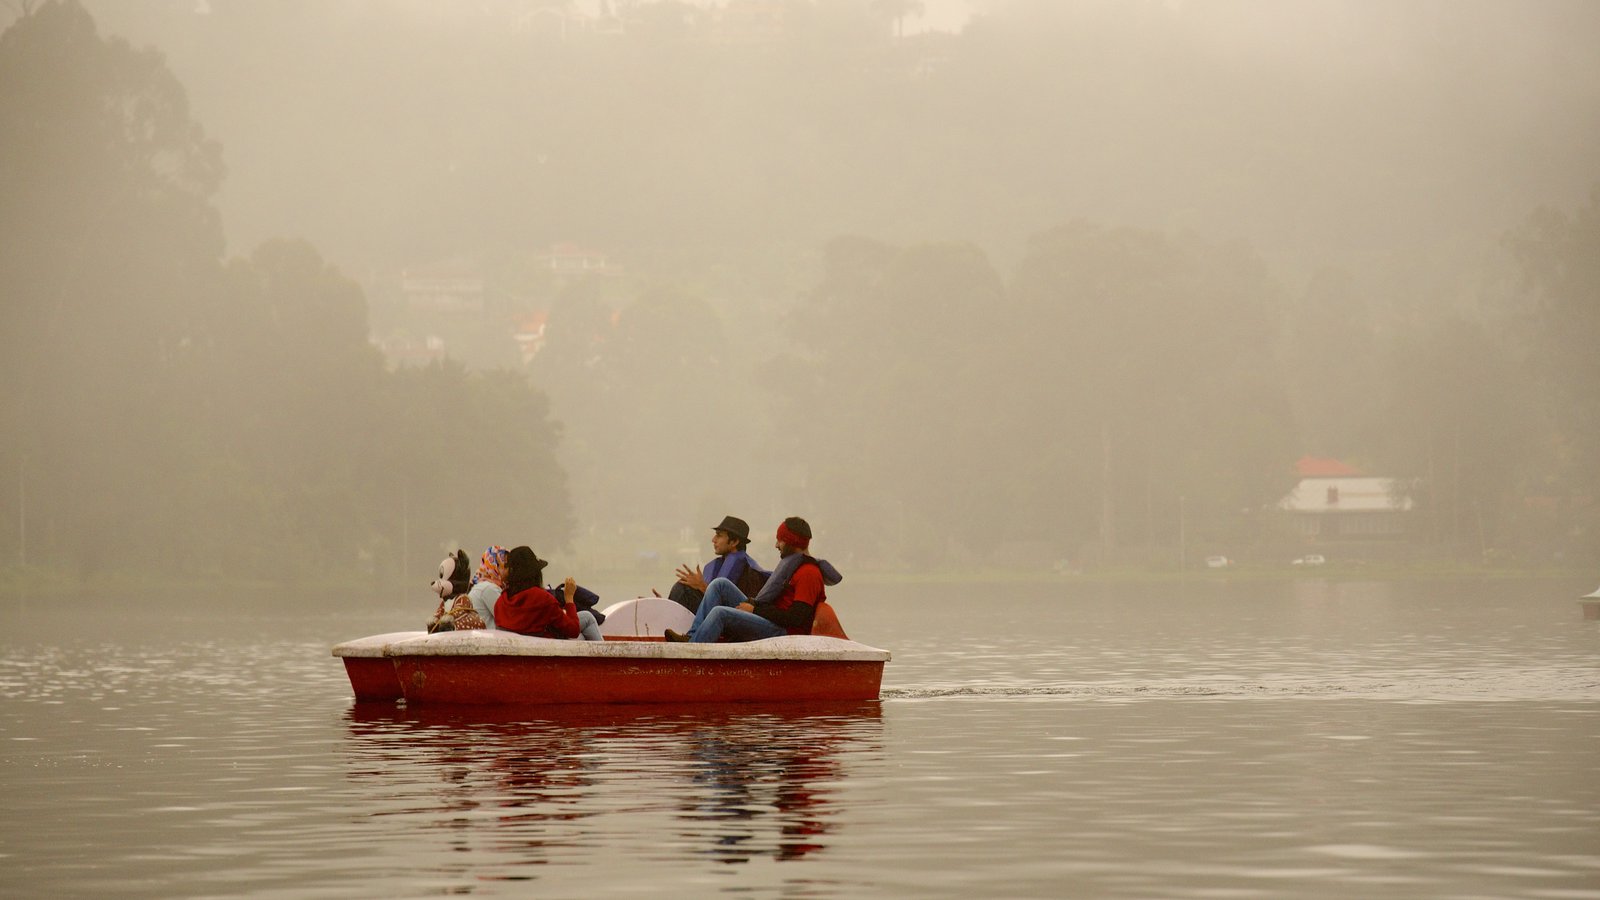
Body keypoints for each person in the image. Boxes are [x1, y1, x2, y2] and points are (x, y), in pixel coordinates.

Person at [665, 517, 842, 644]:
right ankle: (693, 636)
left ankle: (693, 650)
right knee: (719, 584)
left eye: (779, 541)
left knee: (720, 613)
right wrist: (755, 607)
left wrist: (755, 609)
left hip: (783, 631)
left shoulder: (808, 573)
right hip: (771, 619)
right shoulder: (792, 567)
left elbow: (796, 619)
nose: (776, 546)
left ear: (790, 542)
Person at [662, 515, 770, 613]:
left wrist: (702, 586)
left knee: (683, 589)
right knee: (682, 587)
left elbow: (740, 607)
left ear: (734, 542)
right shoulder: (718, 565)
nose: (713, 540)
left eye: (719, 536)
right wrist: (669, 604)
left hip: (727, 620)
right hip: (709, 614)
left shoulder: (751, 573)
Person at [494, 545, 604, 641]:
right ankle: (605, 662)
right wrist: (569, 598)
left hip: (521, 651)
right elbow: (573, 630)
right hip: (545, 650)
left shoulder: (501, 602)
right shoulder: (542, 598)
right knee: (587, 617)